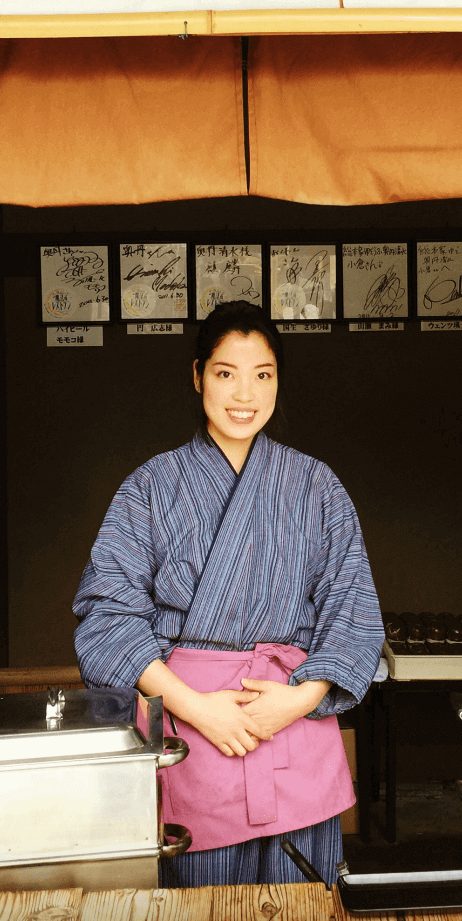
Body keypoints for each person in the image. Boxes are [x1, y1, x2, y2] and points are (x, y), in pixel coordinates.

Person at [73, 301, 384, 887]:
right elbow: (105, 620)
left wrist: (295, 700)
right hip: (193, 733)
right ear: (197, 376)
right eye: (225, 373)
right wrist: (199, 710)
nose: (245, 393)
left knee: (306, 899)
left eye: (262, 374)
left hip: (294, 722)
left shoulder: (317, 487)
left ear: (277, 381)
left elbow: (354, 614)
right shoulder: (151, 487)